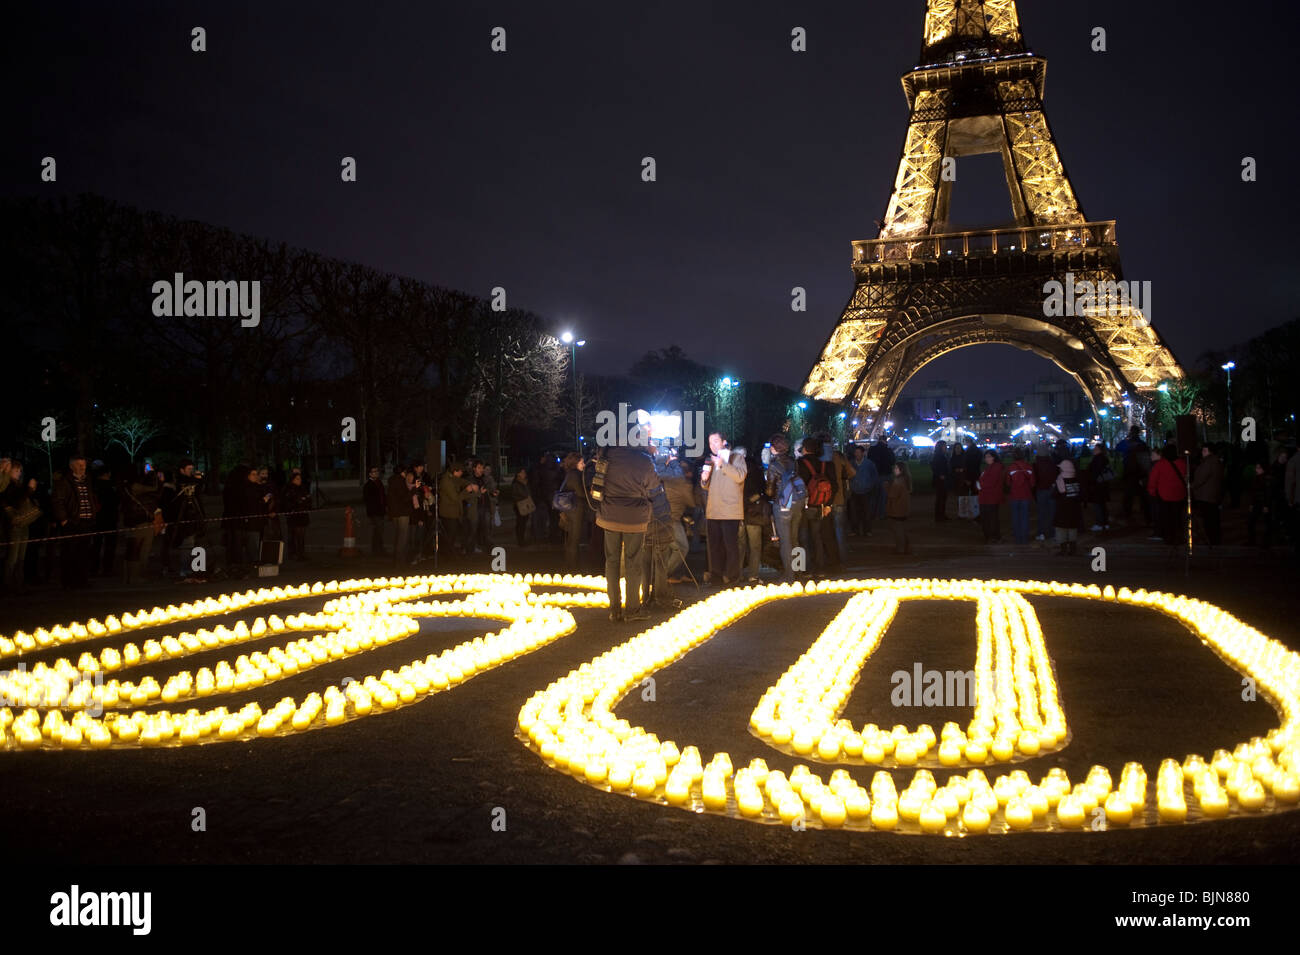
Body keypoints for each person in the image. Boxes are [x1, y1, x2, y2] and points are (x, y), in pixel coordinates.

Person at [594, 444, 658, 622]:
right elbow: (654, 484)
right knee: (633, 562)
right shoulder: (643, 460)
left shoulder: (606, 456)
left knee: (612, 561)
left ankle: (614, 609)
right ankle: (632, 609)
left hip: (609, 515)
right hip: (634, 518)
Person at [703, 432, 747, 585]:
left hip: (730, 511)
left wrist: (722, 464)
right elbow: (707, 485)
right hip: (713, 510)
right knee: (714, 546)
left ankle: (732, 576)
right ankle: (716, 575)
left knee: (730, 546)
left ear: (724, 441)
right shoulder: (710, 460)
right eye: (710, 442)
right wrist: (704, 480)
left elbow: (740, 476)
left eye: (716, 441)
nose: (713, 445)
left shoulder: (736, 458)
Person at [51, 455, 98, 588]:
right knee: (70, 552)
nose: (82, 468)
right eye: (79, 465)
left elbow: (90, 497)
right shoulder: (64, 481)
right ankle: (69, 581)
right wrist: (64, 519)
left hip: (86, 521)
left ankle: (82, 580)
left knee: (84, 552)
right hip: (72, 522)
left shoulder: (87, 480)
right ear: (72, 466)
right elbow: (57, 501)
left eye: (84, 465)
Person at [797, 435, 840, 573]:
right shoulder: (826, 465)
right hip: (820, 506)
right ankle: (820, 567)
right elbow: (834, 486)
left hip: (804, 506)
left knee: (802, 537)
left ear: (804, 449)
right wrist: (828, 504)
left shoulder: (799, 464)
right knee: (817, 537)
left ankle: (802, 568)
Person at [765, 434, 804, 580]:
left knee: (785, 541)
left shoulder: (774, 465)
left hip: (782, 504)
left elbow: (770, 490)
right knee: (795, 539)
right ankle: (799, 571)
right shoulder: (794, 462)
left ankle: (789, 575)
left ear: (775, 448)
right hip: (797, 501)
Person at [119, 464, 160, 584]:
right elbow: (154, 489)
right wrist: (153, 474)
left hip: (131, 521)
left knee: (132, 550)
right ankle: (136, 576)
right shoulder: (135, 486)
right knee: (141, 550)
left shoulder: (124, 486)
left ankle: (128, 576)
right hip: (140, 521)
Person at [2, 462, 37, 590]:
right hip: (14, 525)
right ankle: (8, 585)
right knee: (13, 557)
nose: (19, 473)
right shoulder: (7, 486)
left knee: (20, 557)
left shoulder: (17, 485)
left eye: (20, 471)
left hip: (23, 523)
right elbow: (16, 502)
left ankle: (18, 584)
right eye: (16, 470)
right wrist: (29, 489)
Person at [1148, 444, 1189, 546]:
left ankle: (1169, 538)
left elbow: (1153, 480)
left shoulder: (1161, 464)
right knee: (1178, 518)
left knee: (1166, 518)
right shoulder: (1182, 463)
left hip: (1164, 496)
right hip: (1180, 495)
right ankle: (1179, 537)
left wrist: (1152, 492)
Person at [739, 448, 768, 583]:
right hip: (754, 512)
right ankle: (753, 574)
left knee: (740, 544)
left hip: (738, 512)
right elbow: (763, 490)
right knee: (755, 545)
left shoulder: (734, 471)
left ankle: (737, 574)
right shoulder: (756, 470)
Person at [1191, 444, 1224, 547]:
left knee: (1209, 519)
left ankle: (1212, 540)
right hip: (1211, 495)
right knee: (1212, 519)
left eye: (1205, 450)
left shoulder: (1209, 462)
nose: (1202, 452)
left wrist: (1192, 486)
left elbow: (1201, 477)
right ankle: (1214, 539)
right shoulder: (1214, 461)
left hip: (1207, 495)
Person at [1053, 459, 1083, 555]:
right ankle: (1073, 548)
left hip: (1062, 508)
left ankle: (1063, 549)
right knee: (1072, 528)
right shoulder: (1076, 478)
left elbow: (1055, 494)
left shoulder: (1060, 480)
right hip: (1074, 508)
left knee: (1061, 529)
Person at [386, 464, 414, 567]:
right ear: (402, 472)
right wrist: (413, 490)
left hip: (394, 512)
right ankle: (400, 560)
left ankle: (396, 558)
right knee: (403, 536)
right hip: (402, 512)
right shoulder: (401, 482)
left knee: (397, 535)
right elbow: (405, 498)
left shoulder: (391, 481)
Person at [1006, 447, 1035, 545]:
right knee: (1025, 517)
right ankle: (1024, 537)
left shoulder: (1011, 467)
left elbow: (1008, 482)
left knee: (1015, 517)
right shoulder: (1028, 466)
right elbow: (1032, 483)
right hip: (1026, 495)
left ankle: (1017, 537)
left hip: (1014, 495)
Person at [437, 461, 467, 557]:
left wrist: (469, 484)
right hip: (448, 512)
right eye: (460, 472)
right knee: (450, 534)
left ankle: (448, 553)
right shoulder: (447, 481)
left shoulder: (452, 479)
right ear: (455, 471)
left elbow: (462, 482)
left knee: (451, 534)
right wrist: (467, 491)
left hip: (452, 512)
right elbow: (455, 498)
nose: (461, 474)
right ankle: (447, 554)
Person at [975, 450, 1005, 544]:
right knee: (988, 518)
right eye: (986, 457)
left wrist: (980, 485)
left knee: (991, 518)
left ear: (994, 457)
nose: (987, 458)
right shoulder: (990, 467)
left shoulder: (995, 467)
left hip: (990, 496)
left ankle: (993, 536)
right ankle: (991, 536)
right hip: (986, 496)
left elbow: (991, 482)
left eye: (989, 456)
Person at [848, 445, 878, 535]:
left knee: (866, 512)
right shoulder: (851, 463)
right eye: (855, 452)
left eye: (858, 452)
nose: (856, 454)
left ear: (863, 453)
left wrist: (870, 486)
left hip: (866, 491)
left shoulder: (869, 464)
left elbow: (874, 476)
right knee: (854, 512)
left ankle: (867, 530)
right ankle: (855, 529)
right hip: (855, 491)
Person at [282, 471, 312, 560]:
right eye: (297, 479)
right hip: (294, 516)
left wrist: (304, 501)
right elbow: (286, 503)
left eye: (300, 479)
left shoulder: (302, 488)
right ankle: (293, 554)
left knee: (301, 536)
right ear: (292, 480)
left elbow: (308, 499)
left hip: (303, 515)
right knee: (293, 536)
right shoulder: (288, 489)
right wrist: (297, 502)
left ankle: (301, 553)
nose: (299, 480)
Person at [1031, 445, 1059, 543]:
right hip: (1051, 489)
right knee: (1052, 512)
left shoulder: (1035, 464)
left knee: (1042, 513)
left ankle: (1042, 533)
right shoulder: (1052, 463)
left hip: (1041, 490)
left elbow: (1034, 480)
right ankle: (1053, 533)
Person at [885, 461, 912, 555]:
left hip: (897, 509)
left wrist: (887, 487)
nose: (894, 470)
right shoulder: (905, 479)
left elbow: (892, 495)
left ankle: (901, 549)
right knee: (902, 529)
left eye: (896, 468)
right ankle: (905, 547)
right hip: (903, 508)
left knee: (898, 530)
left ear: (901, 470)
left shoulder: (898, 481)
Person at [1085, 443, 1113, 532]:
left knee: (1097, 505)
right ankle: (1105, 523)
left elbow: (1094, 473)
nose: (1094, 450)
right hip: (1103, 485)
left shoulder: (1097, 459)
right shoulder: (1104, 458)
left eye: (1095, 448)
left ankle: (1099, 523)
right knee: (1102, 505)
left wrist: (1090, 481)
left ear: (1099, 450)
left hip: (1097, 485)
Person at [1246, 461, 1272, 548]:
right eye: (1256, 467)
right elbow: (1253, 492)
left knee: (1266, 524)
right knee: (1251, 522)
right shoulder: (1256, 478)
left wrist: (1266, 505)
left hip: (1263, 503)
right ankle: (1251, 541)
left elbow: (1268, 493)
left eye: (1258, 468)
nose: (1256, 469)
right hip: (1256, 503)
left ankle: (1266, 542)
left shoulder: (1267, 479)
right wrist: (1251, 504)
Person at [363, 465, 387, 556]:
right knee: (378, 530)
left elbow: (383, 496)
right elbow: (368, 500)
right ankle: (377, 549)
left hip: (380, 510)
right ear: (370, 474)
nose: (376, 473)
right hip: (375, 512)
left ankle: (378, 548)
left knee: (379, 530)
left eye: (377, 471)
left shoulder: (379, 483)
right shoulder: (368, 485)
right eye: (374, 472)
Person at [507, 468, 533, 547]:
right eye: (522, 472)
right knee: (520, 523)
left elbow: (529, 492)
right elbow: (520, 494)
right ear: (518, 474)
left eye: (524, 472)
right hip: (519, 506)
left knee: (524, 523)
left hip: (525, 505)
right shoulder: (516, 484)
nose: (524, 474)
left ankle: (522, 539)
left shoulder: (525, 482)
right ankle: (520, 540)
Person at [930, 441, 950, 522]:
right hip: (940, 480)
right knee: (941, 498)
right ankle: (939, 515)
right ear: (941, 447)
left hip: (941, 479)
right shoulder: (939, 456)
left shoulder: (940, 455)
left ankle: (941, 514)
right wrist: (940, 475)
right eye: (945, 446)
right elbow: (935, 467)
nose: (946, 447)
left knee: (942, 498)